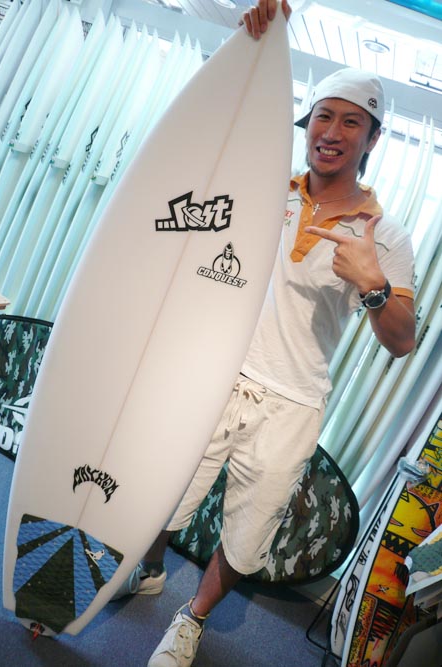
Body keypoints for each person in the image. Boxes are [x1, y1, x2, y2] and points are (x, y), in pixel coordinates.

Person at [112, 1, 416, 665]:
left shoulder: (385, 235)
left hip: (293, 401)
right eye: (323, 116)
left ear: (372, 139)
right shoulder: (262, 185)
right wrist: (251, 45)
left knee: (248, 537)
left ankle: (190, 618)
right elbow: (206, 141)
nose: (332, 132)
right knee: (161, 494)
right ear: (308, 126)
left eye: (351, 121)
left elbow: (402, 340)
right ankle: (146, 568)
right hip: (216, 374)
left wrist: (372, 285)